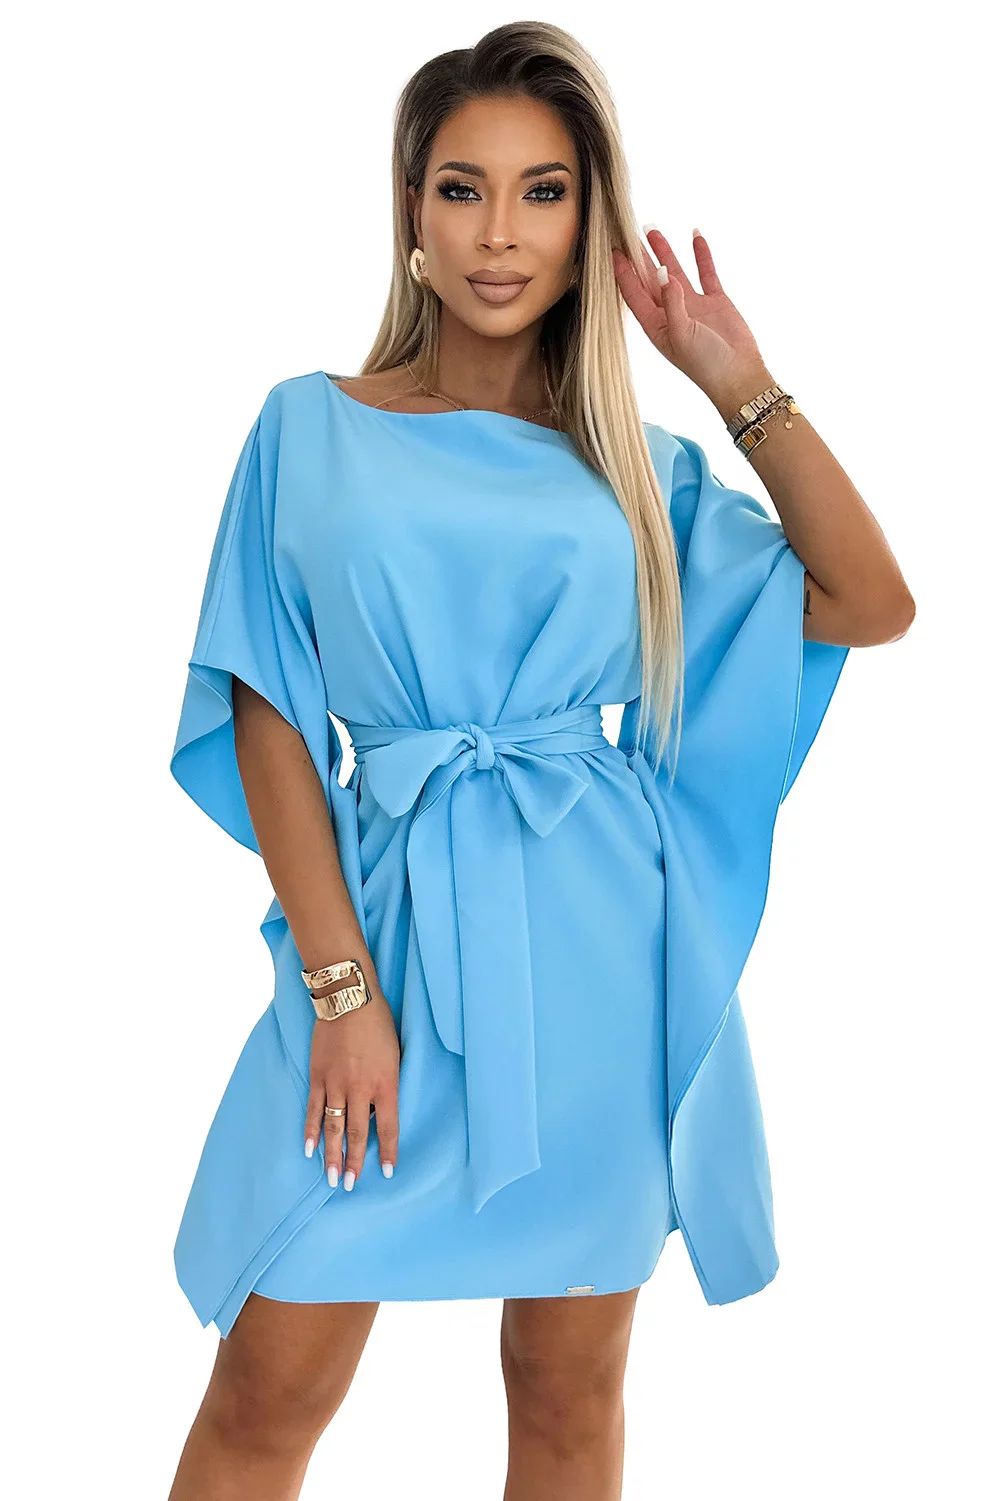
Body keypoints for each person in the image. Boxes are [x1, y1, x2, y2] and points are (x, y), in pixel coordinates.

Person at [165, 21, 914, 1501]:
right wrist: (341, 991)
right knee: (269, 1384)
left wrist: (734, 378)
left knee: (568, 1392)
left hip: (596, 951)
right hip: (385, 942)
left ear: (590, 221)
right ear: (412, 211)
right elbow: (270, 712)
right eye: (463, 189)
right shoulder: (308, 429)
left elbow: (868, 601)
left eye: (544, 192)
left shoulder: (641, 469)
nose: (500, 233)